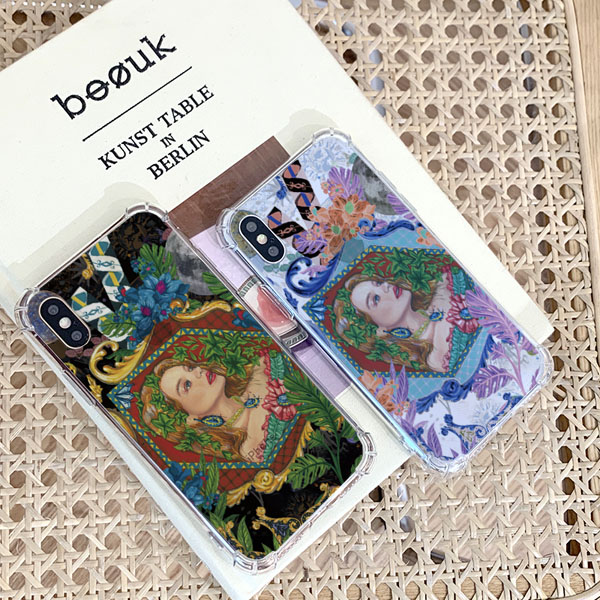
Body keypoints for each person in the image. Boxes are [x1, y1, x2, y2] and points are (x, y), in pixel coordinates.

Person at [331, 257, 477, 373]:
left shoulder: (444, 283)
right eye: (375, 299)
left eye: (379, 283)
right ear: (379, 331)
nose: (386, 286)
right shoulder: (437, 358)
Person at [140, 355, 274, 462]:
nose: (198, 371)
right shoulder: (250, 447)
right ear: (190, 419)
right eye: (187, 385)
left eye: (190, 368)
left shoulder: (258, 369)